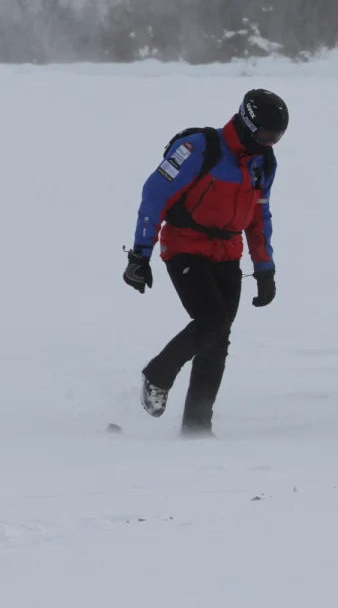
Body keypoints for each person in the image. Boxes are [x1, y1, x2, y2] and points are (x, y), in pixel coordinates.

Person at [123, 88, 287, 436]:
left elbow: (260, 218)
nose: (270, 143)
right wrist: (140, 254)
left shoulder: (263, 163)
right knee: (211, 323)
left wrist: (265, 268)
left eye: (277, 138)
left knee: (219, 338)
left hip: (228, 253)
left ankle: (197, 425)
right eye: (265, 136)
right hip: (185, 246)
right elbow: (155, 195)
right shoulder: (198, 148)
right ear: (246, 124)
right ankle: (158, 374)